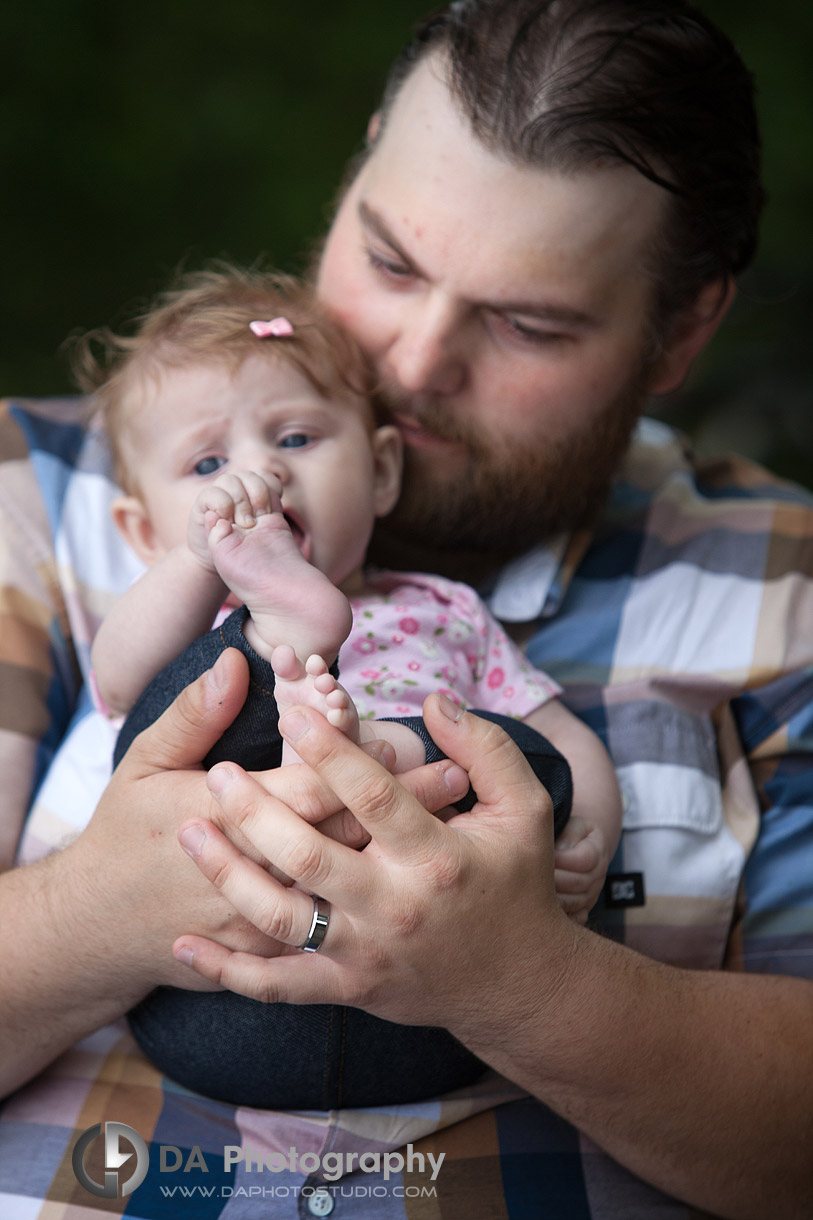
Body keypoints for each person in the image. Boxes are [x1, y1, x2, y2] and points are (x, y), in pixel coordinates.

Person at [0, 1, 811, 1217]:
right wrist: (100, 907)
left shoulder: (785, 586)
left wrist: (525, 984)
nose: (415, 361)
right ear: (358, 163)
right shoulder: (35, 496)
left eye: (527, 321)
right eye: (388, 261)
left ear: (681, 330)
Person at [62, 263, 614, 1106]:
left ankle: (371, 747)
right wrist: (199, 563)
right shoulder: (185, 621)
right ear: (142, 531)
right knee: (198, 693)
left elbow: (562, 738)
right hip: (229, 988)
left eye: (295, 439)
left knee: (515, 754)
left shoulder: (444, 609)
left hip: (437, 1000)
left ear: (382, 471)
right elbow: (117, 680)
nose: (260, 478)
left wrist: (590, 837)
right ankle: (295, 658)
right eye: (209, 460)